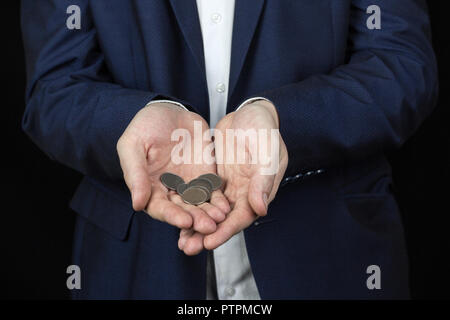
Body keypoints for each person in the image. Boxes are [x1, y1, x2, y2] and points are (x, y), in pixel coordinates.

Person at [21, 0, 438, 299]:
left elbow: (401, 67)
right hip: (135, 266)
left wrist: (281, 120)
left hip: (329, 257)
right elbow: (52, 90)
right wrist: (132, 118)